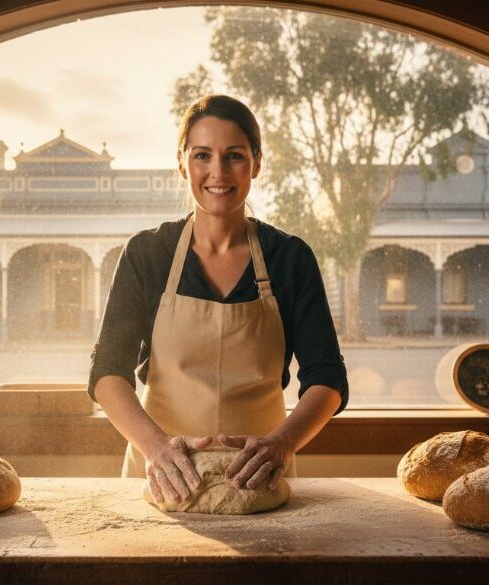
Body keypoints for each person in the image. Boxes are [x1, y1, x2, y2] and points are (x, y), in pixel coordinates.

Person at [89, 95, 348, 506]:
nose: (218, 172)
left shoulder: (291, 259)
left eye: (235, 156)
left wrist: (281, 445)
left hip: (258, 479)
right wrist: (157, 448)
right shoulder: (147, 254)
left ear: (257, 163)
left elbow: (327, 379)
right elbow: (107, 372)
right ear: (182, 163)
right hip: (164, 480)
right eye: (202, 155)